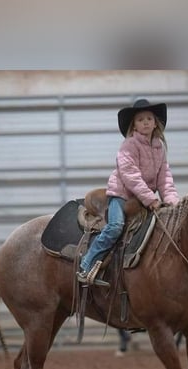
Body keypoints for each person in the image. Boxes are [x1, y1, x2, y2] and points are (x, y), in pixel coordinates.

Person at [77, 99, 180, 287]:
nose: (146, 122)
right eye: (141, 119)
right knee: (115, 226)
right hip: (122, 194)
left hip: (143, 198)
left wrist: (173, 202)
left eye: (149, 118)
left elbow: (165, 178)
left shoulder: (159, 148)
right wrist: (151, 199)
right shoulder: (129, 145)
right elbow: (130, 175)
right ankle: (86, 263)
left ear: (155, 122)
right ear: (134, 124)